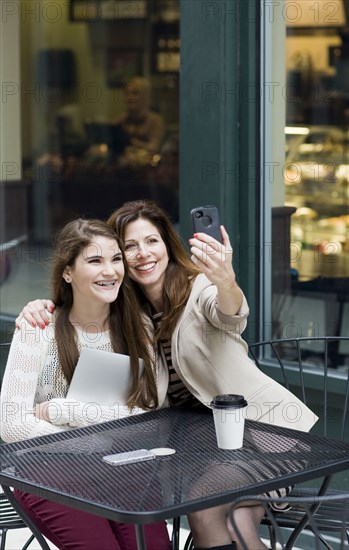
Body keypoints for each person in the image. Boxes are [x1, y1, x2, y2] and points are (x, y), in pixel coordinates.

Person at [16, 201, 318, 550]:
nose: (143, 254)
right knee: (235, 524)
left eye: (152, 241)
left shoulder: (198, 288)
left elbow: (229, 313)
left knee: (204, 509)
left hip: (268, 440)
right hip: (204, 455)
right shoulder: (126, 316)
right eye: (129, 247)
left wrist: (226, 281)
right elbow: (82, 296)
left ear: (167, 246)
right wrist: (41, 306)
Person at [1, 218, 171, 550]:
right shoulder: (39, 328)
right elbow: (11, 424)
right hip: (48, 475)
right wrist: (94, 445)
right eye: (95, 261)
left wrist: (62, 410)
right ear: (67, 271)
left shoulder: (139, 328)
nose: (110, 271)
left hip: (123, 471)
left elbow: (143, 413)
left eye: (116, 258)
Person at [116, 77, 165, 167]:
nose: (130, 97)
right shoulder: (122, 119)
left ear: (145, 96)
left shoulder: (155, 120)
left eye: (135, 93)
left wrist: (131, 141)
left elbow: (154, 147)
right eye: (127, 93)